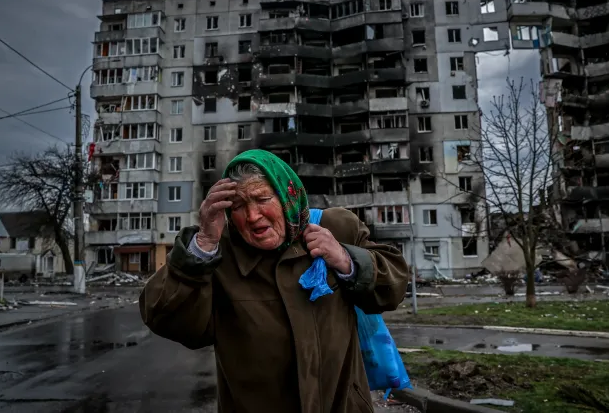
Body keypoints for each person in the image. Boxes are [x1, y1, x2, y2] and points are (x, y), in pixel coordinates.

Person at [139, 149, 409, 413]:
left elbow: (393, 286)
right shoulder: (218, 257)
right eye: (239, 206)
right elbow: (167, 319)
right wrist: (202, 246)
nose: (253, 216)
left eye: (262, 198)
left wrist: (345, 259)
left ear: (286, 195)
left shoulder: (336, 228)